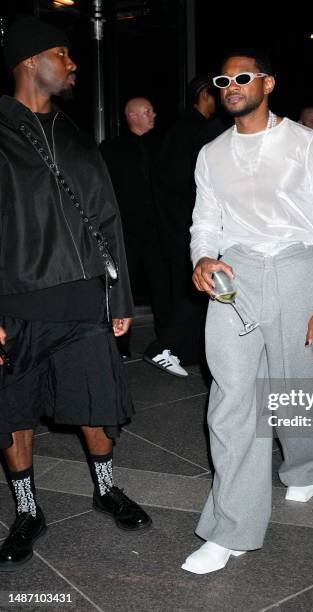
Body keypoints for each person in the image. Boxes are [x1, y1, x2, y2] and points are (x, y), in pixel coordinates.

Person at [182, 49, 313, 574]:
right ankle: (231, 528)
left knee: (296, 377)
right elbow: (204, 222)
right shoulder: (211, 153)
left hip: (299, 267)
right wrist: (202, 257)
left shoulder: (308, 143)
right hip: (235, 275)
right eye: (222, 80)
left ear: (268, 83)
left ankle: (305, 465)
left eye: (242, 77)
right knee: (232, 398)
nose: (230, 85)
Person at [0, 17, 151, 571]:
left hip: (86, 297)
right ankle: (26, 508)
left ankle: (105, 488)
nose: (72, 63)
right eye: (62, 53)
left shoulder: (74, 135)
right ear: (28, 60)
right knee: (12, 411)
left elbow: (108, 221)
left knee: (97, 401)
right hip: (17, 301)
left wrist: (120, 300)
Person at [100, 98, 185, 375]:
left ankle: (166, 343)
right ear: (132, 115)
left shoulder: (162, 147)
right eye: (148, 111)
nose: (154, 114)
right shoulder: (111, 149)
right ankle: (117, 345)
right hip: (124, 232)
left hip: (157, 231)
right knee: (120, 287)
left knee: (163, 287)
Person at [151, 75, 223, 369]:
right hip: (193, 224)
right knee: (199, 290)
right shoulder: (200, 131)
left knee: (191, 290)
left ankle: (181, 350)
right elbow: (188, 183)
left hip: (177, 224)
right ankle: (166, 347)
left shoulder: (180, 129)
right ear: (204, 95)